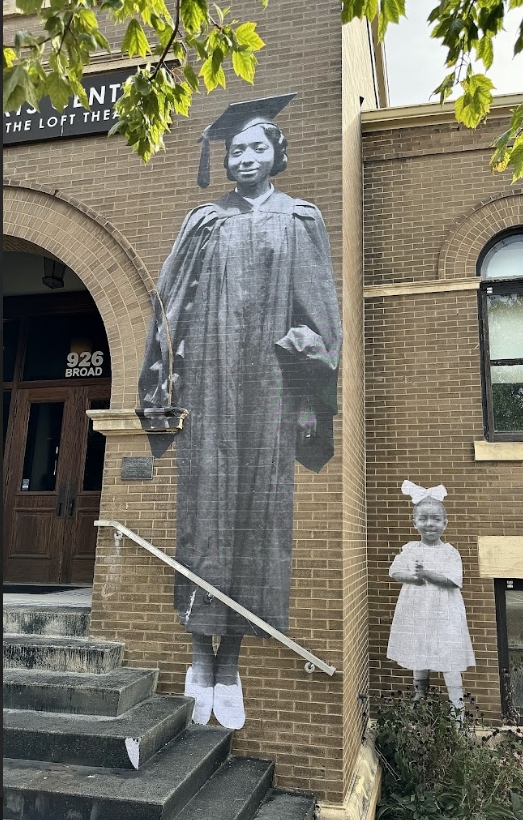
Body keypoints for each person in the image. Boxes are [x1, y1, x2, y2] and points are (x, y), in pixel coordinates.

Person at [138, 94, 342, 730]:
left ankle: (230, 669)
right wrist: (162, 390)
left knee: (258, 523)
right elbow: (168, 310)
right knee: (204, 519)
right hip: (208, 387)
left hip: (270, 394)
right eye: (235, 150)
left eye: (257, 148)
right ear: (223, 159)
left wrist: (309, 352)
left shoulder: (301, 220)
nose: (245, 158)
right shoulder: (204, 222)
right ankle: (200, 661)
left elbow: (322, 316)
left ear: (277, 154)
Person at [386, 481, 475, 722]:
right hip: (417, 609)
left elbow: (453, 580)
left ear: (445, 523)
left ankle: (458, 715)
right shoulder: (410, 549)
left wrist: (426, 574)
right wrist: (413, 579)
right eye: (423, 519)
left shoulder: (449, 552)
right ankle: (420, 698)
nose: (430, 524)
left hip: (444, 610)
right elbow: (394, 572)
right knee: (420, 651)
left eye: (436, 519)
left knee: (449, 656)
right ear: (415, 523)